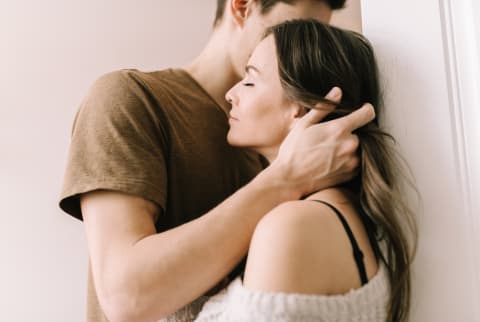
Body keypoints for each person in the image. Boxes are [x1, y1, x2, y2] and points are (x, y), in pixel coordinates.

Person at [59, 1, 375, 321]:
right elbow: (126, 297)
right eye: (296, 26)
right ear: (242, 7)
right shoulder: (130, 99)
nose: (306, 45)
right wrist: (286, 178)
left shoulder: (288, 143)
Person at [188, 19, 418, 322]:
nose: (231, 94)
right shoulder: (331, 212)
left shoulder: (293, 225)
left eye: (250, 80)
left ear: (301, 108)